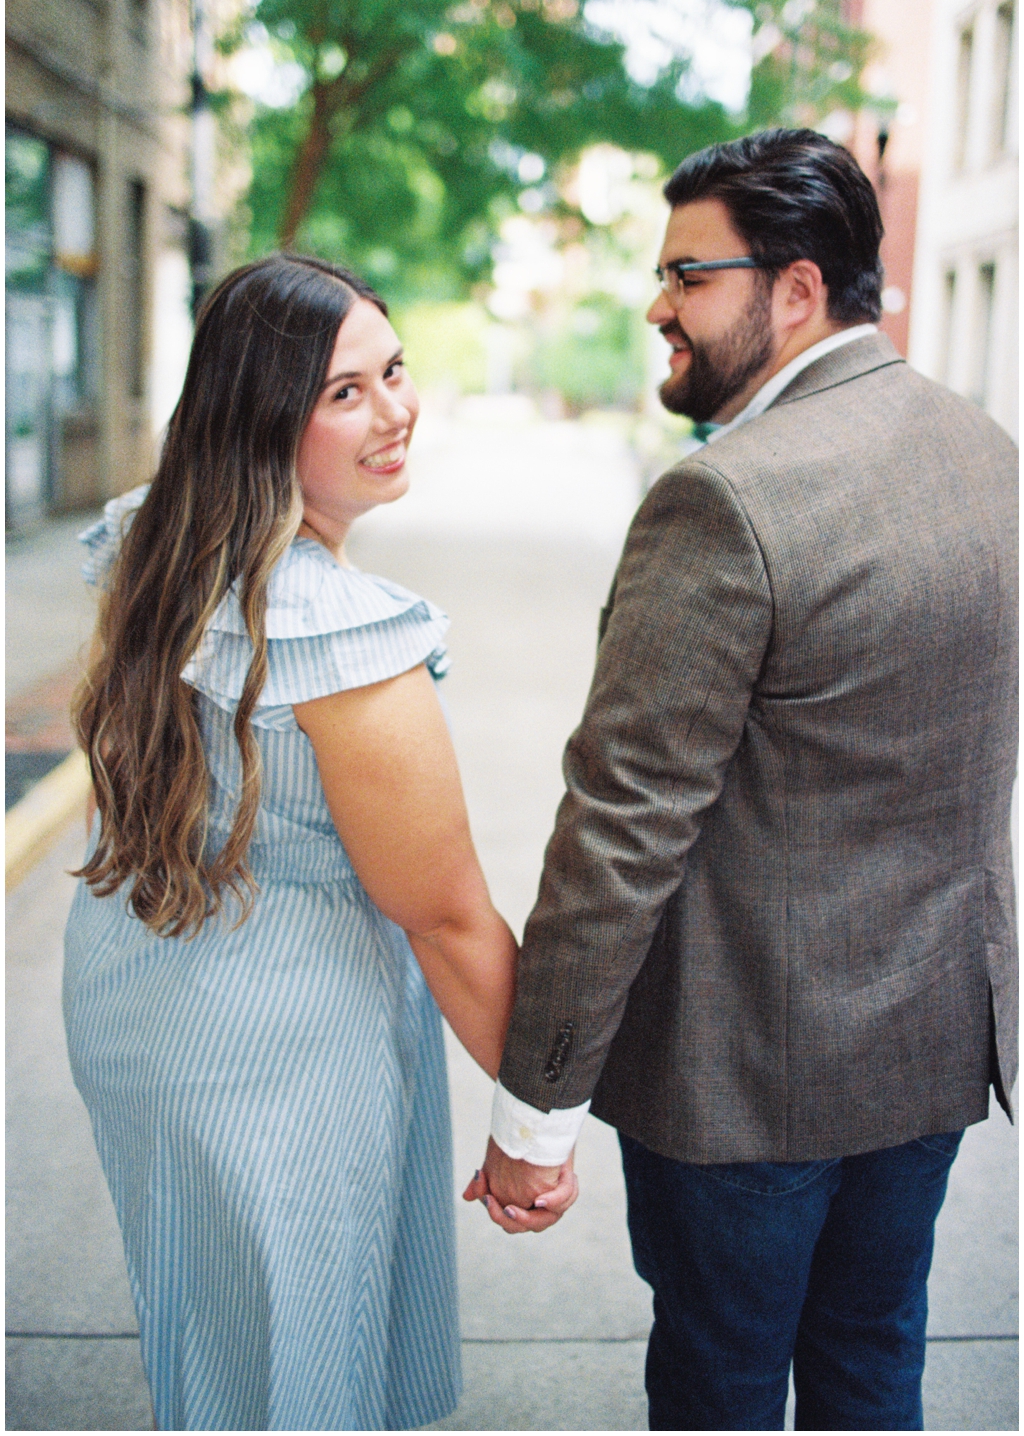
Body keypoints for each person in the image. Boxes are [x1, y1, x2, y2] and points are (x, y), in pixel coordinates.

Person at [465, 130, 1018, 1431]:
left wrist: (534, 1108)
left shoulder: (726, 500)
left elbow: (620, 831)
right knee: (874, 1359)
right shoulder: (986, 454)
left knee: (718, 1385)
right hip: (929, 1048)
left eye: (686, 275)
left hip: (742, 1082)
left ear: (799, 288)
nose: (657, 305)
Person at [63, 254, 573, 1431]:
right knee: (292, 1369)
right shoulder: (340, 640)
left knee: (220, 1342)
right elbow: (446, 918)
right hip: (276, 1059)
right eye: (343, 392)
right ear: (259, 415)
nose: (394, 411)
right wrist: (533, 1129)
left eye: (393, 372)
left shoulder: (155, 544)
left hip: (142, 1008)